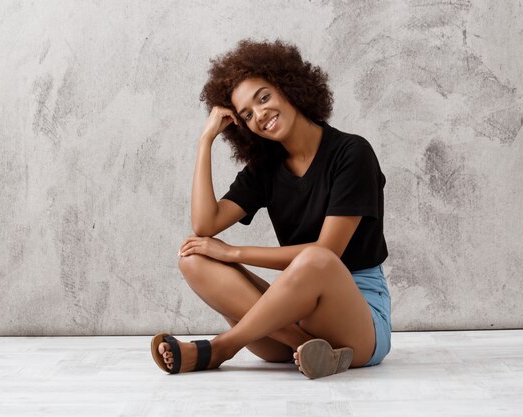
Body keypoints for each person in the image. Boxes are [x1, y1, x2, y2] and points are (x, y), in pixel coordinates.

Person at [150, 39, 391, 379]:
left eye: (263, 98)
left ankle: (221, 347)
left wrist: (234, 253)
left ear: (289, 87)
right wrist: (205, 141)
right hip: (289, 318)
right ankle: (308, 348)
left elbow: (326, 254)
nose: (260, 114)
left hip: (359, 325)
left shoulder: (352, 154)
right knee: (193, 257)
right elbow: (205, 225)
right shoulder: (266, 168)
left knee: (316, 259)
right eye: (247, 114)